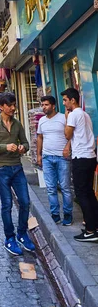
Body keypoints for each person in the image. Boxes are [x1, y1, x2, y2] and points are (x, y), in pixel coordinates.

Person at [0, 92, 35, 256]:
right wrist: (5, 147)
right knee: (7, 205)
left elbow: (25, 143)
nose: (13, 108)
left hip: (17, 168)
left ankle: (22, 233)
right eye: (10, 105)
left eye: (14, 105)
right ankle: (9, 238)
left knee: (25, 202)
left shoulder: (17, 124)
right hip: (1, 169)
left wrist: (22, 148)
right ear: (2, 107)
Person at [62, 88, 98, 242]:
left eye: (65, 100)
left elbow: (67, 134)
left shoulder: (73, 115)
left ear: (73, 100)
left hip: (81, 158)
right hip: (90, 157)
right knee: (89, 193)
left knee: (82, 193)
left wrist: (66, 118)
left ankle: (90, 230)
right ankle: (94, 226)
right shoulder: (85, 115)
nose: (64, 103)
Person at [36, 95, 73, 226]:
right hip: (47, 157)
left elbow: (71, 135)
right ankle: (55, 214)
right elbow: (40, 138)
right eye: (42, 105)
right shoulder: (41, 121)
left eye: (46, 105)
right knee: (51, 188)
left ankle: (68, 214)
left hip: (62, 158)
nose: (43, 107)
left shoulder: (64, 118)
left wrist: (67, 147)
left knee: (65, 187)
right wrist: (39, 155)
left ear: (53, 106)